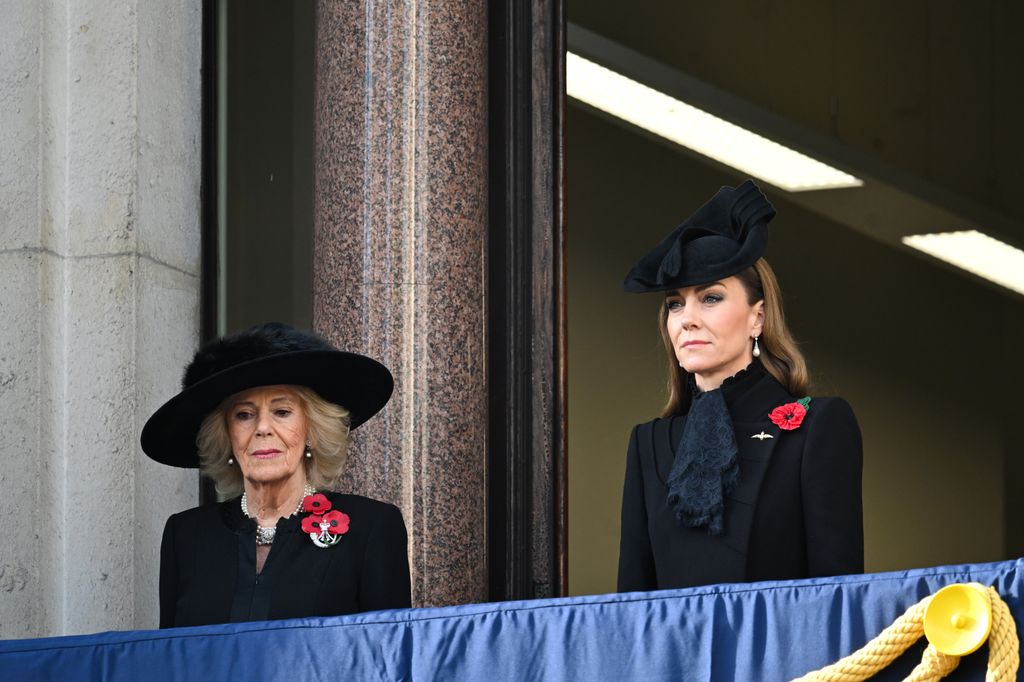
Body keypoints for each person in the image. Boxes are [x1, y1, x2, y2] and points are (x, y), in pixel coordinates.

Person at [617, 179, 863, 592]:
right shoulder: (648, 443)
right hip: (677, 658)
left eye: (710, 298)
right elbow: (633, 604)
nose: (686, 318)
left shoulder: (817, 425)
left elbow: (839, 597)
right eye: (675, 303)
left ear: (758, 318)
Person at [142, 322, 411, 627]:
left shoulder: (371, 529)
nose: (262, 428)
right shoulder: (186, 536)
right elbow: (171, 660)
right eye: (244, 415)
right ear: (227, 436)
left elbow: (391, 659)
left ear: (311, 430)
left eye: (282, 412)